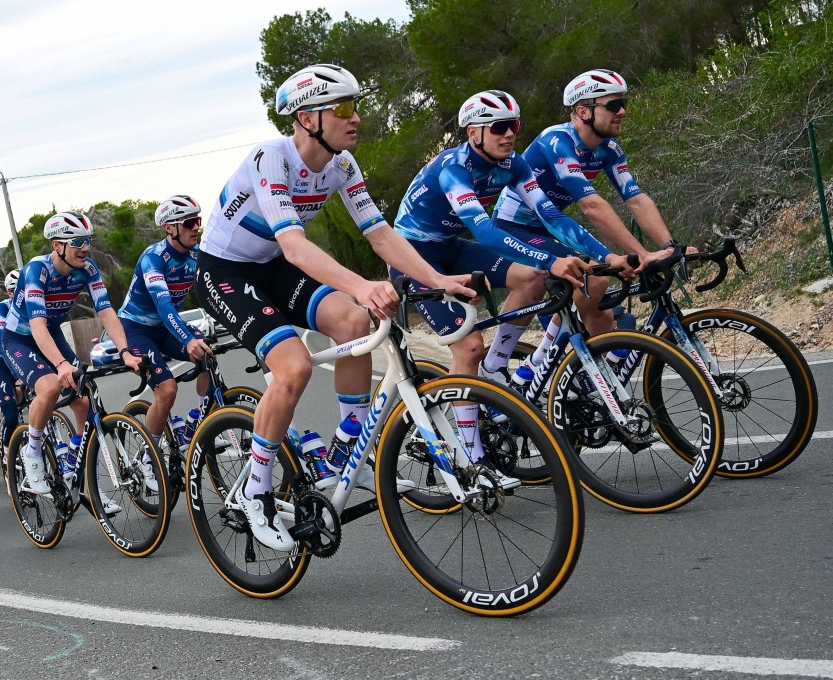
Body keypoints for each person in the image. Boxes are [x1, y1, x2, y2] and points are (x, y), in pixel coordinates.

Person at [196, 63, 476, 551]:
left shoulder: (342, 165)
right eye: (344, 108)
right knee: (294, 367)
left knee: (353, 322)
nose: (356, 119)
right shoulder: (271, 159)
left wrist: (435, 278)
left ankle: (349, 449)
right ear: (308, 118)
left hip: (273, 265)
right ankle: (256, 489)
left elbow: (380, 233)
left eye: (356, 107)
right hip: (226, 270)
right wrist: (364, 285)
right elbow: (296, 247)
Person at [390, 89, 642, 387]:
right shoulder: (454, 169)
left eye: (514, 125)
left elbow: (551, 215)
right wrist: (551, 260)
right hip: (412, 257)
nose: (509, 134)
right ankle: (466, 433)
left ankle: (494, 366)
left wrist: (607, 256)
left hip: (450, 245)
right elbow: (484, 232)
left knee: (533, 277)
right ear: (474, 133)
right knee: (470, 347)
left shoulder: (513, 164)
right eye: (499, 127)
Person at [493, 68, 680, 349]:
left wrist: (668, 246)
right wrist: (642, 255)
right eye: (613, 105)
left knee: (600, 306)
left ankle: (594, 374)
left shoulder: (609, 149)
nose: (623, 112)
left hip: (550, 226)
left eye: (623, 104)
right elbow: (591, 205)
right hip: (512, 226)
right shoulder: (556, 142)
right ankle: (526, 365)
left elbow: (636, 198)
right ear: (583, 111)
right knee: (592, 277)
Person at [2, 211, 142, 502]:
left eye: (88, 240)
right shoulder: (36, 271)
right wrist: (61, 364)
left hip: (50, 335)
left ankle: (78, 471)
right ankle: (32, 452)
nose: (85, 247)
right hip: (20, 338)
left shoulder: (88, 269)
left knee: (84, 399)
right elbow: (37, 325)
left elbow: (106, 313)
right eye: (77, 241)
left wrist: (126, 351)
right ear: (57, 246)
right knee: (51, 386)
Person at [117, 195, 213, 491]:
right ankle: (148, 456)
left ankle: (201, 418)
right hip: (136, 329)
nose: (197, 226)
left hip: (163, 327)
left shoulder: (197, 253)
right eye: (189, 222)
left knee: (207, 355)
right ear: (170, 228)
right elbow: (164, 307)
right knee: (167, 389)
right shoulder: (153, 258)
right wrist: (186, 338)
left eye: (198, 219)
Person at [0, 269, 21, 480]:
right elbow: (2, 338)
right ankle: (9, 455)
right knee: (11, 414)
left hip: (22, 357)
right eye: (15, 290)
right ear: (10, 294)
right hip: (1, 360)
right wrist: (18, 374)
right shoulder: (2, 308)